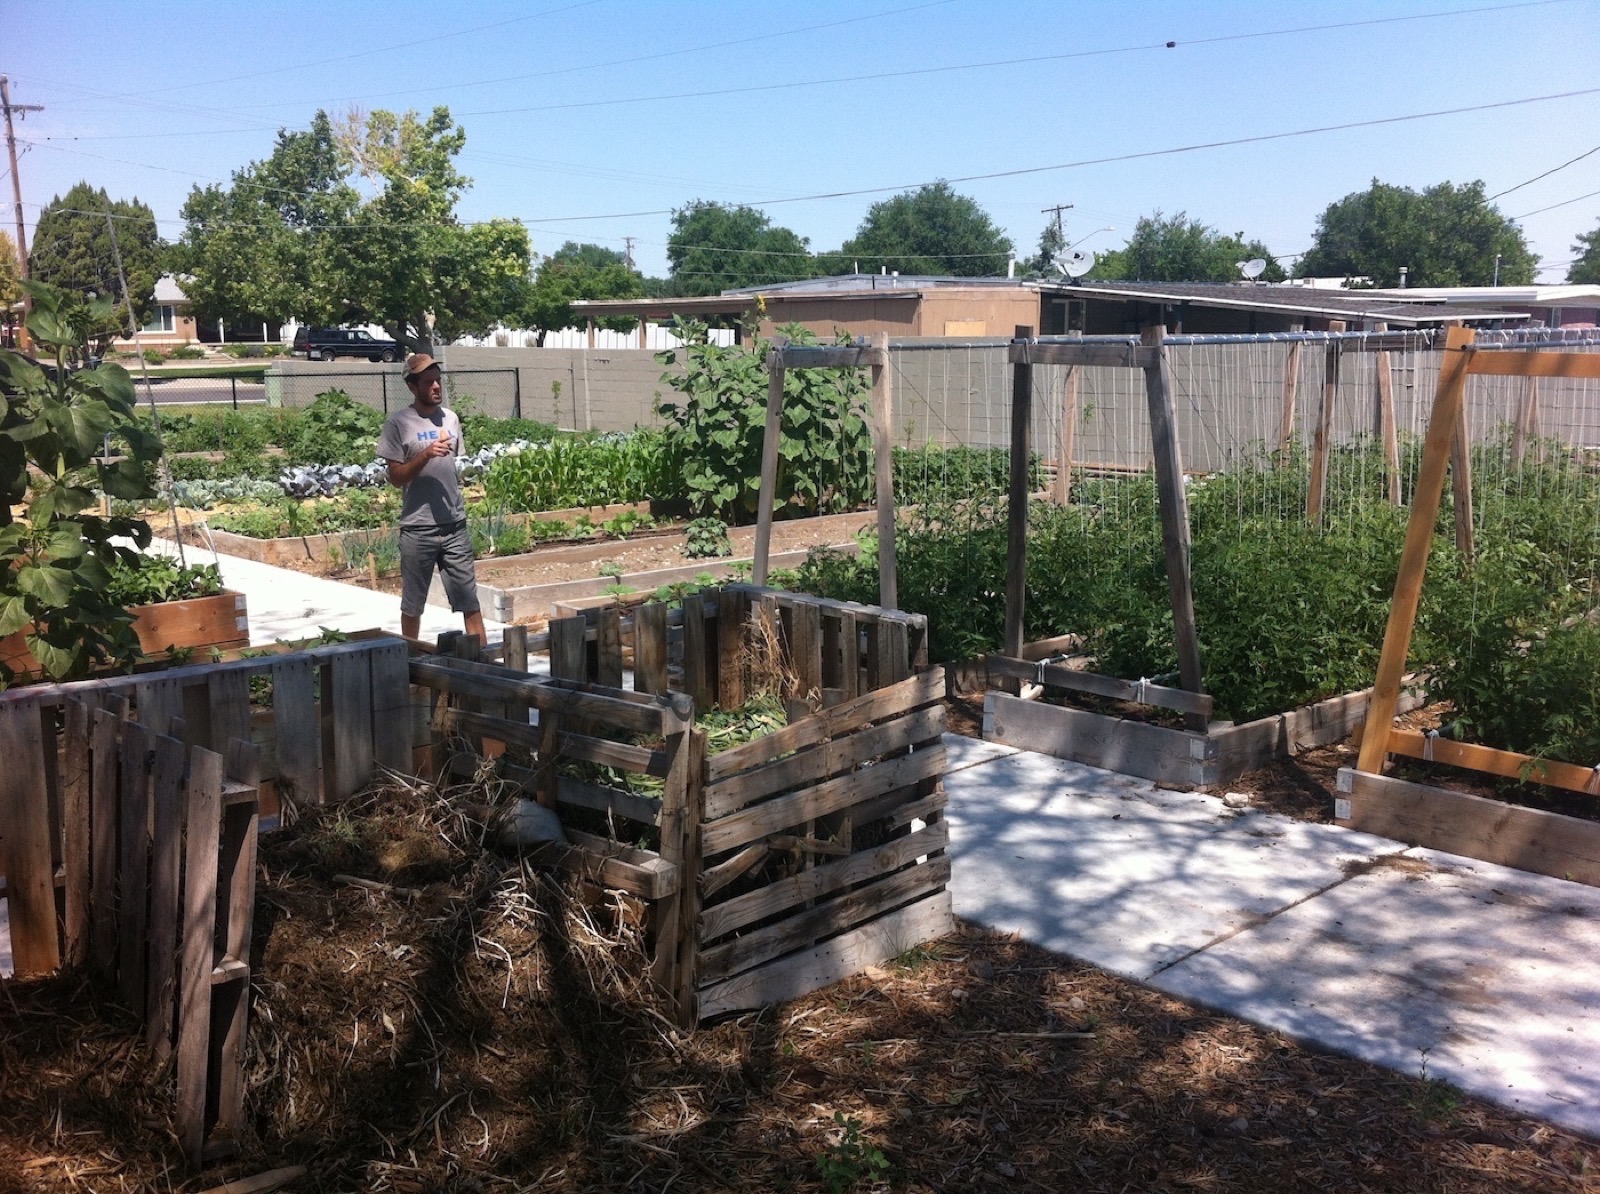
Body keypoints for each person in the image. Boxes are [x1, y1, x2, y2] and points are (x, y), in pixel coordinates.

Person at [377, 352, 487, 644]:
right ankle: (409, 658)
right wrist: (425, 455)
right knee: (413, 604)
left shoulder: (450, 419)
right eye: (429, 382)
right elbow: (396, 477)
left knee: (469, 600)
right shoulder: (398, 423)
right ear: (412, 386)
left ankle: (484, 662)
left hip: (454, 525)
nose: (437, 386)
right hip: (418, 528)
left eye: (438, 381)